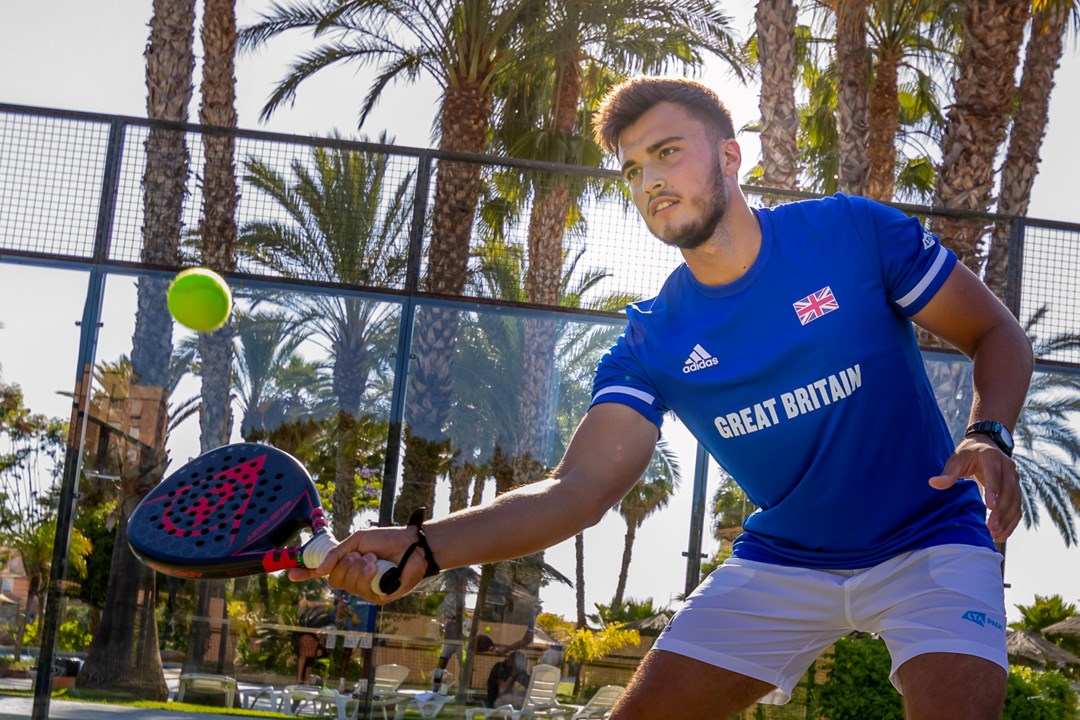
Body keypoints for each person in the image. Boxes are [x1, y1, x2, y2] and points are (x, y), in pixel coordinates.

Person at [291, 77, 1033, 720]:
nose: (649, 179)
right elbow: (577, 491)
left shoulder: (850, 233)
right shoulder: (651, 340)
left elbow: (996, 334)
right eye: (633, 168)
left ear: (730, 156)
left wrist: (988, 434)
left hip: (931, 537)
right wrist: (427, 544)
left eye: (668, 151)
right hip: (786, 560)